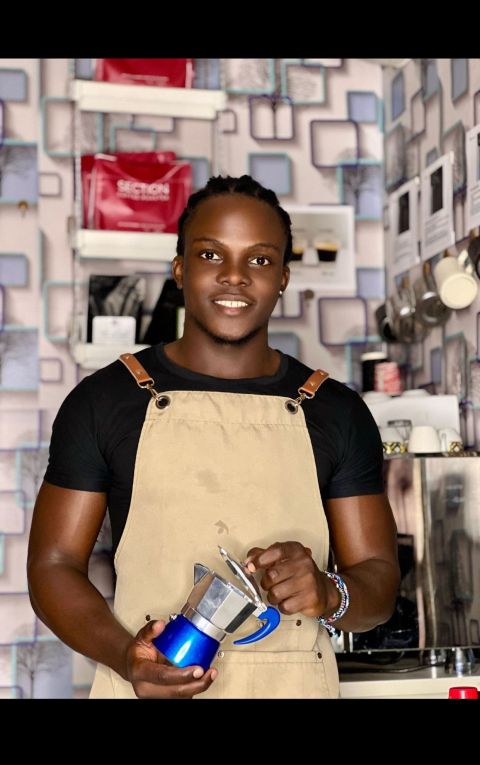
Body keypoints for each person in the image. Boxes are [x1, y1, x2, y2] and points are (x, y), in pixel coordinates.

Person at [27, 175, 400, 699]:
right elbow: (53, 566)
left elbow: (378, 584)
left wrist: (328, 590)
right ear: (180, 268)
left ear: (283, 277)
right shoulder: (105, 400)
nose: (234, 276)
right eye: (210, 254)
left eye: (259, 259)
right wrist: (126, 658)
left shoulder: (337, 411)